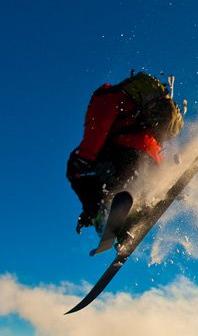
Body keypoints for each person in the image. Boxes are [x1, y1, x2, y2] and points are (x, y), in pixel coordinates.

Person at [66, 71, 184, 233]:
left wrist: (85, 158)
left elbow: (98, 129)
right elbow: (153, 146)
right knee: (125, 193)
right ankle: (128, 227)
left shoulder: (105, 97)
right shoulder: (134, 107)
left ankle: (102, 212)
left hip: (128, 156)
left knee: (75, 164)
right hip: (148, 163)